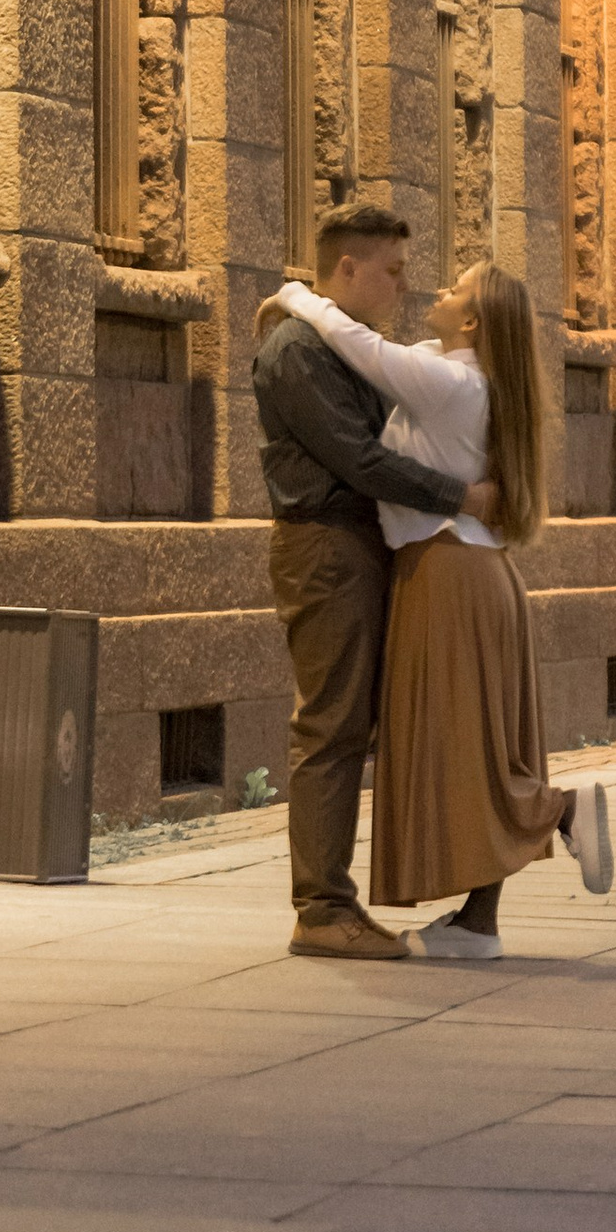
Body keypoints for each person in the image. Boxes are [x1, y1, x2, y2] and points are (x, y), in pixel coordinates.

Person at [268, 255, 613, 963]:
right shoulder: (459, 375)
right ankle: (478, 923)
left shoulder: (451, 384)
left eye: (456, 288)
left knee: (459, 745)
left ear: (473, 320)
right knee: (477, 739)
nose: (435, 288)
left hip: (446, 570)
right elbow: (387, 357)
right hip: (473, 568)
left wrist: (294, 296)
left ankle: (562, 810)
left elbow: (364, 349)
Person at [253, 204, 487, 961]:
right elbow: (360, 459)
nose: (403, 284)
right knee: (331, 725)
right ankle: (321, 909)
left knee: (357, 722)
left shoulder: (338, 345)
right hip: (327, 548)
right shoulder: (296, 352)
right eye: (391, 268)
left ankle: (343, 899)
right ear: (347, 269)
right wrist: (460, 497)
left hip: (360, 546)